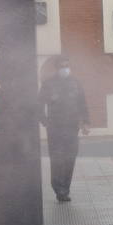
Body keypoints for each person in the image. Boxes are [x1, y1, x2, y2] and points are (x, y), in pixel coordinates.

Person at [38, 55, 90, 202]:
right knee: (57, 159)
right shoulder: (48, 84)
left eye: (67, 65)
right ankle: (58, 189)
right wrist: (45, 121)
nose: (65, 69)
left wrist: (86, 122)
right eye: (62, 66)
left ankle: (65, 189)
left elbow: (82, 104)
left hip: (72, 128)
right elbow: (38, 105)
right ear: (57, 68)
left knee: (70, 159)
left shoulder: (76, 83)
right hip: (55, 128)